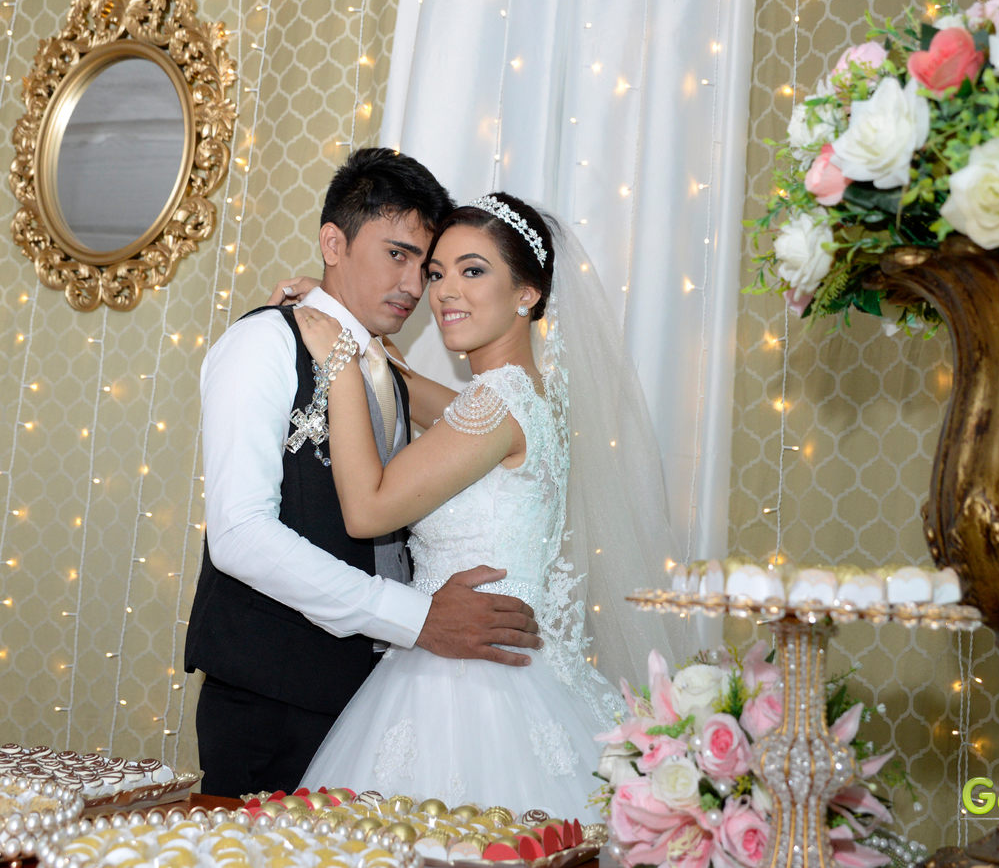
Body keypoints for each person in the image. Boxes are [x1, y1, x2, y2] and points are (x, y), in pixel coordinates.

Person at [287, 192, 685, 815]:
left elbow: (368, 511)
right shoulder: (528, 395)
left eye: (473, 271)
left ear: (527, 293)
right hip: (514, 666)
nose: (445, 291)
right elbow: (420, 396)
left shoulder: (495, 403)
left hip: (465, 678)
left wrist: (338, 364)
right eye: (437, 273)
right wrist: (349, 323)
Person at [184, 150, 542, 799]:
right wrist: (415, 616)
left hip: (376, 701)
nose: (415, 286)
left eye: (424, 267)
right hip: (273, 698)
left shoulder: (384, 367)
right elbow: (238, 534)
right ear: (334, 243)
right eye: (397, 255)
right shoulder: (265, 343)